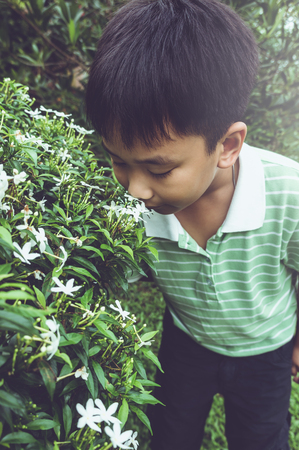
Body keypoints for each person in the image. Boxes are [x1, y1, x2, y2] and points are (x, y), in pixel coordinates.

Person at [85, 0, 299, 448]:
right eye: (118, 161)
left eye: (159, 170)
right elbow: (103, 275)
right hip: (185, 343)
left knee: (261, 439)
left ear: (227, 145)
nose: (136, 189)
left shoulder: (288, 192)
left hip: (267, 350)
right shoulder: (129, 212)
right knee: (170, 434)